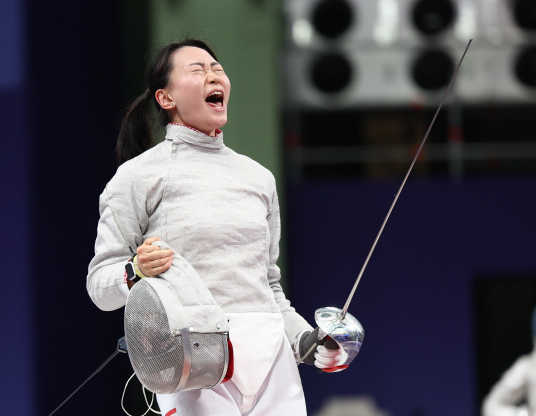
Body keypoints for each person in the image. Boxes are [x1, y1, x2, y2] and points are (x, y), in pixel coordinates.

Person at [87, 38, 347, 416]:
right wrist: (135, 272)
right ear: (166, 98)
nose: (213, 75)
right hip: (194, 356)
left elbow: (268, 284)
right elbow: (100, 287)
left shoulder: (258, 178)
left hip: (271, 355)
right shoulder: (137, 177)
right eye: (197, 69)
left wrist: (302, 339)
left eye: (217, 68)